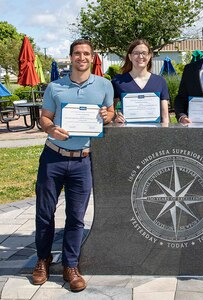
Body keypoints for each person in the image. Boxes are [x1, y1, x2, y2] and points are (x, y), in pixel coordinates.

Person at [32, 39, 114, 292]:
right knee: (45, 213)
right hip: (53, 157)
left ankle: (71, 265)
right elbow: (44, 118)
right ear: (71, 57)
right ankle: (43, 259)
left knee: (76, 217)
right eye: (77, 53)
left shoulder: (104, 85)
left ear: (92, 57)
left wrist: (107, 115)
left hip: (82, 160)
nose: (81, 57)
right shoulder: (55, 87)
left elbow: (110, 112)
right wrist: (51, 129)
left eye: (86, 54)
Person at [112, 39, 169, 123]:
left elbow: (165, 117)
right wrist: (116, 118)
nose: (140, 56)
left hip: (155, 133)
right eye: (136, 53)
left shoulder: (160, 81)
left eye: (144, 53)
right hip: (127, 133)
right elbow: (110, 112)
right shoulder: (118, 81)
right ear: (130, 57)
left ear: (149, 56)